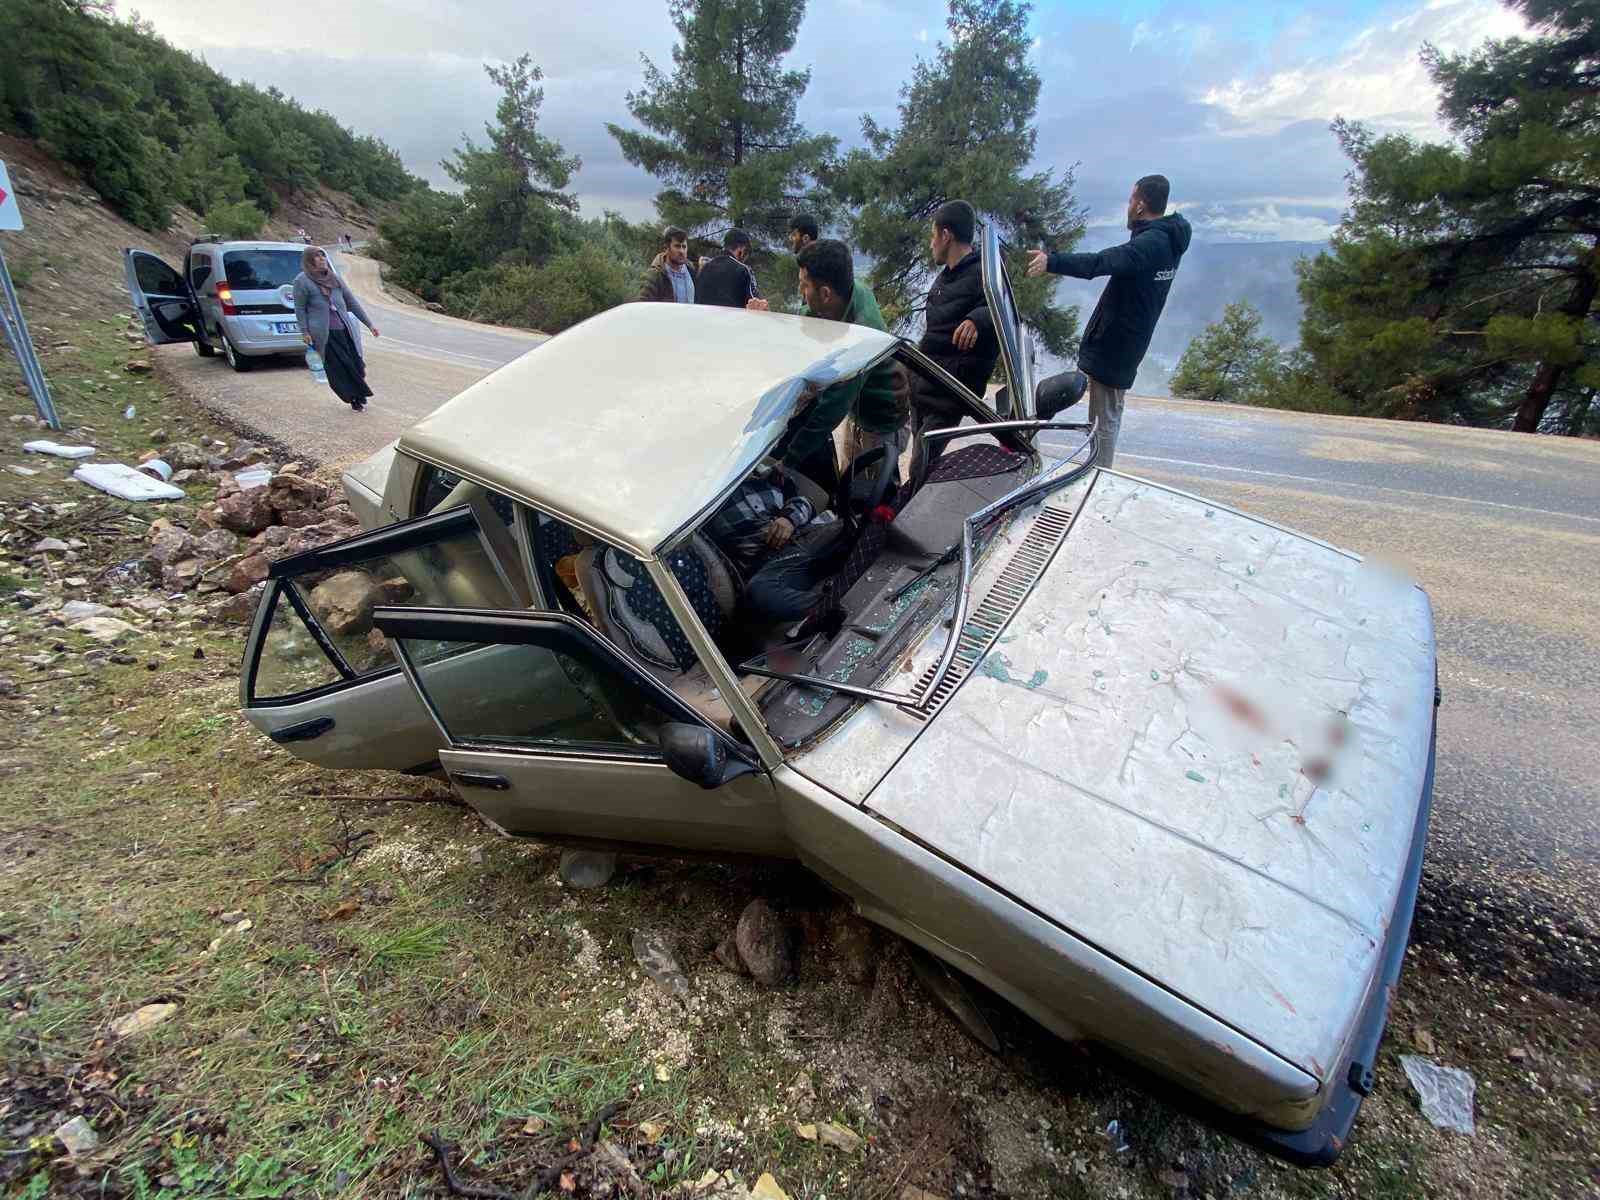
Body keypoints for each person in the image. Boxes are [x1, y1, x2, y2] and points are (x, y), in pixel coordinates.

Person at [1027, 174, 1191, 467]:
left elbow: (1101, 262)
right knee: (1106, 415)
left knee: (1104, 420)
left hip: (1118, 345)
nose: (1128, 206)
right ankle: (1097, 470)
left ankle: (1099, 476)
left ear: (1140, 205)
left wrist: (1052, 261)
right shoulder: (1166, 240)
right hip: (1127, 342)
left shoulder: (1151, 244)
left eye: (1131, 199)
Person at [777, 239, 906, 493]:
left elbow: (830, 410)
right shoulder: (848, 290)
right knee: (849, 477)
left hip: (883, 420)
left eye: (804, 286)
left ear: (826, 294)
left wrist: (788, 461)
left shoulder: (860, 338)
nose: (801, 292)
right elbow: (808, 314)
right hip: (859, 409)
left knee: (872, 495)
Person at [912, 199, 997, 475]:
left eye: (933, 235)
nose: (931, 243)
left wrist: (978, 319)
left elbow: (1005, 312)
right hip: (925, 388)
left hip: (949, 393)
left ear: (946, 235)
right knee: (919, 467)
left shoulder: (984, 274)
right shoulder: (945, 278)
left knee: (919, 469)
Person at [293, 246, 380, 412]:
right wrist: (305, 331)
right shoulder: (302, 281)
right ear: (309, 261)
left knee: (356, 364)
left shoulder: (334, 278)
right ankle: (354, 398)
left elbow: (351, 302)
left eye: (323, 256)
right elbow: (300, 308)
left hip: (344, 329)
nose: (322, 259)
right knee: (341, 367)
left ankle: (358, 394)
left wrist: (369, 325)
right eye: (317, 257)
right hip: (325, 334)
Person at [696, 229, 769, 311]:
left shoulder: (705, 267)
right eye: (746, 254)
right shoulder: (743, 270)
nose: (745, 260)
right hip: (732, 318)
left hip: (704, 317)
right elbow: (756, 304)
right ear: (741, 250)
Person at [639, 226, 698, 303]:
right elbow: (643, 303)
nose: (681, 251)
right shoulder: (655, 275)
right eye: (677, 246)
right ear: (666, 248)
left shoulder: (692, 271)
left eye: (684, 247)